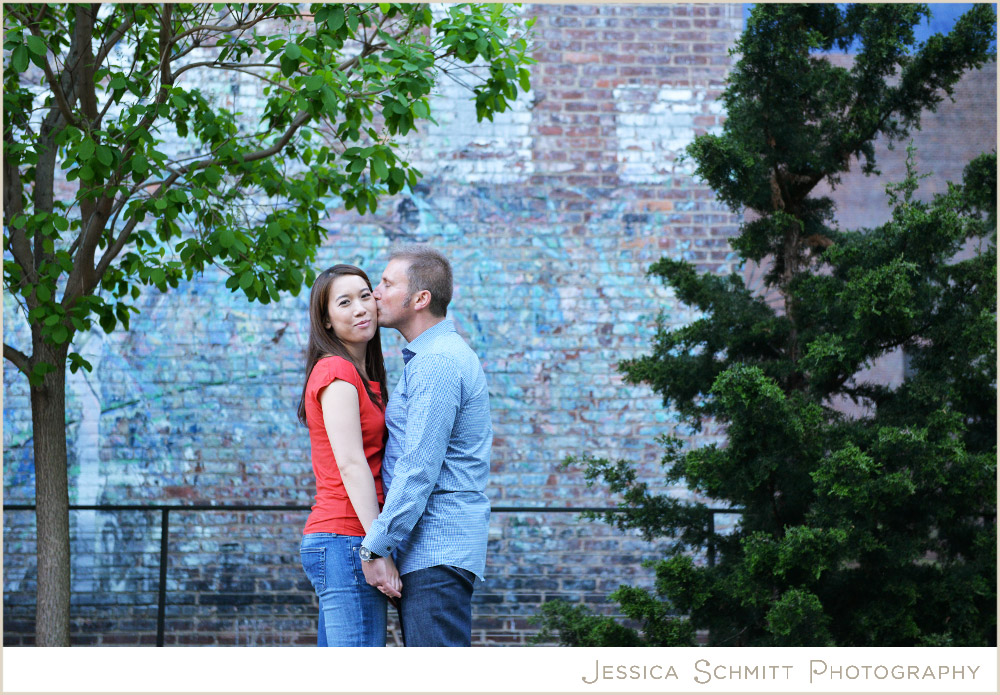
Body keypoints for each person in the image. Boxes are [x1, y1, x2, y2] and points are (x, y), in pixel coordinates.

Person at [359, 245, 493, 647]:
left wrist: (374, 547)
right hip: (429, 550)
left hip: (436, 549)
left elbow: (418, 468)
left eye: (386, 283)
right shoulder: (432, 358)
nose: (375, 292)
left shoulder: (437, 363)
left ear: (420, 299)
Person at [297, 264, 402, 647]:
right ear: (326, 321)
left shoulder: (362, 375)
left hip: (345, 540)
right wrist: (376, 549)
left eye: (364, 295)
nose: (360, 308)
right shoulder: (337, 371)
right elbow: (351, 464)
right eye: (344, 302)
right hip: (345, 539)